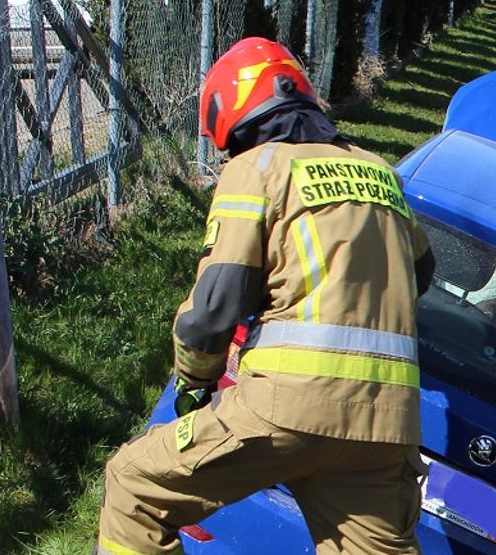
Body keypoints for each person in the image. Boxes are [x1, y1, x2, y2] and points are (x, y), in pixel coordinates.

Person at [97, 38, 435, 555]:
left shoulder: (256, 168)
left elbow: (213, 309)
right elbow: (421, 272)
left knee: (134, 485)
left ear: (232, 112)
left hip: (285, 407)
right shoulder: (378, 171)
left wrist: (194, 385)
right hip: (385, 426)